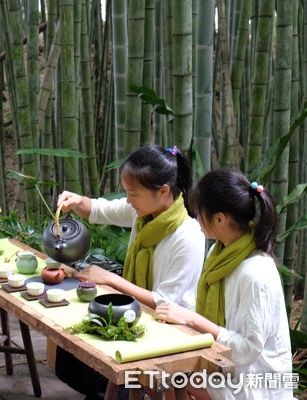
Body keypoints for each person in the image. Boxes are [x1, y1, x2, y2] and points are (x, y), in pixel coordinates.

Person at [54, 144, 206, 400]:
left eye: (132, 193)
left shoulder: (188, 235)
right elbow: (98, 209)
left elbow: (167, 303)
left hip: (170, 327)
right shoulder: (144, 213)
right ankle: (108, 393)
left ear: (164, 191)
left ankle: (115, 391)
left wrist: (111, 280)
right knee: (69, 350)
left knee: (94, 361)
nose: (127, 200)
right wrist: (77, 200)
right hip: (134, 312)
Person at [154, 169, 293, 400]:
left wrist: (192, 319)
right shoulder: (217, 252)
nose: (195, 219)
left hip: (255, 382)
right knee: (159, 370)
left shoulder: (255, 273)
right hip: (227, 366)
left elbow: (248, 349)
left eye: (198, 213)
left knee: (166, 377)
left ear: (220, 219)